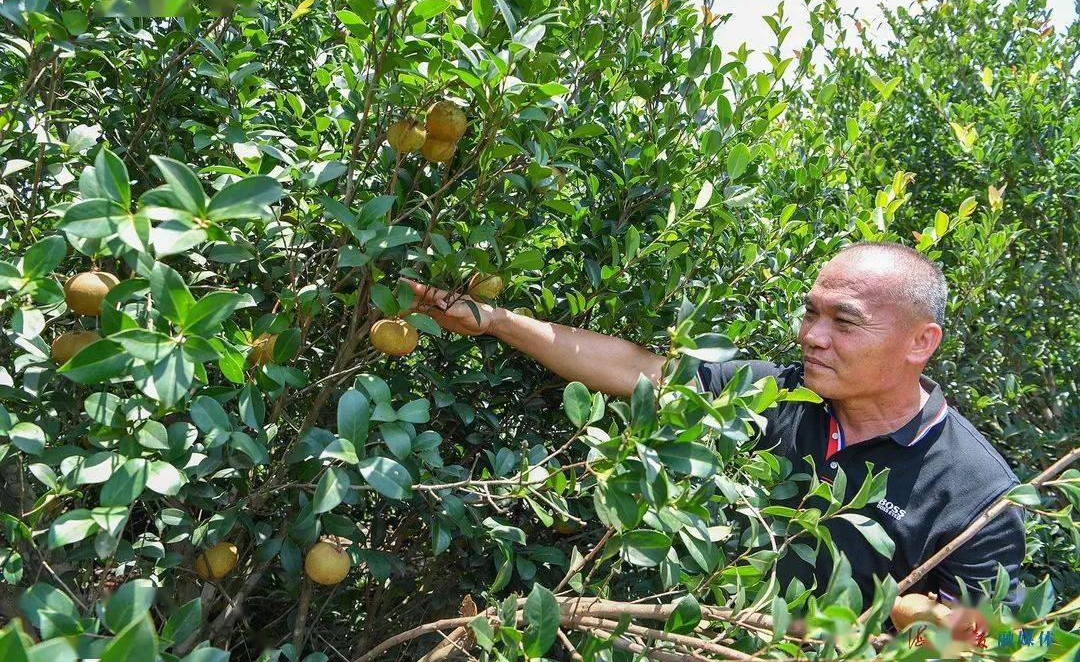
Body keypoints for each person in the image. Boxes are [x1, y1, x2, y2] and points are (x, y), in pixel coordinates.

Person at [404, 242, 1025, 614]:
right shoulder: (774, 394)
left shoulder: (976, 494)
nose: (812, 336)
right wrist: (495, 321)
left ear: (921, 342)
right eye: (810, 312)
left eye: (845, 321)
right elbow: (635, 369)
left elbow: (968, 637)